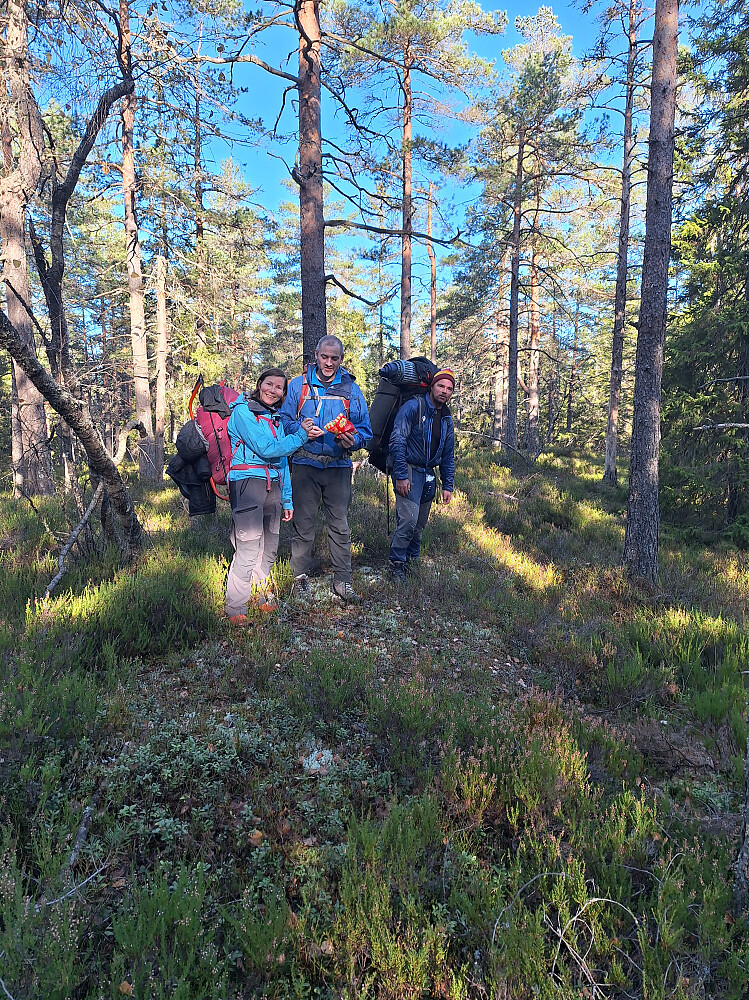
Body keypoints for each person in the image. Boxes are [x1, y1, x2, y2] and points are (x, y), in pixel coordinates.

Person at [224, 368, 323, 625]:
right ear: (260, 385)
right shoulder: (243, 413)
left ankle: (258, 596)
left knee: (268, 548)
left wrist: (287, 499)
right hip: (247, 484)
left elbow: (281, 462)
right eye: (269, 384)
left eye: (279, 387)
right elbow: (267, 449)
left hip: (273, 488)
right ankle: (235, 607)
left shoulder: (275, 418)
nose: (273, 390)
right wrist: (301, 435)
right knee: (247, 548)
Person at [279, 335, 372, 602]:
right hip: (305, 464)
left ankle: (342, 582)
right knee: (303, 526)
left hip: (338, 466)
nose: (329, 363)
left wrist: (354, 440)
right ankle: (300, 581)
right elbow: (283, 420)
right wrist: (301, 429)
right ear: (316, 355)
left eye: (335, 358)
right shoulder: (298, 387)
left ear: (341, 359)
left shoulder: (351, 390)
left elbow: (365, 429)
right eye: (324, 357)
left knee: (340, 527)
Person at [388, 367, 456, 582]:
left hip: (429, 474)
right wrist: (400, 475)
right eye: (441, 386)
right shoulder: (413, 407)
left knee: (418, 526)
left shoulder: (446, 418)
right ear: (432, 386)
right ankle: (396, 565)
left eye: (449, 389)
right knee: (407, 521)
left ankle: (412, 563)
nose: (444, 391)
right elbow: (397, 440)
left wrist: (448, 485)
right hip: (408, 469)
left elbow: (448, 454)